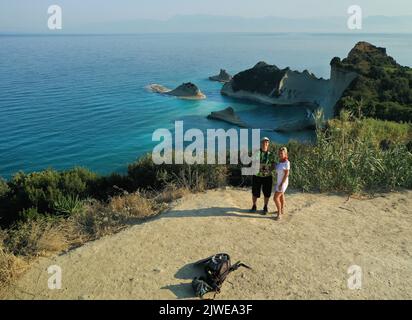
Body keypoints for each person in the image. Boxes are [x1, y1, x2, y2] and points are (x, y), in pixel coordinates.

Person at [250, 137, 275, 215]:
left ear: (268, 144)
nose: (265, 143)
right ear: (261, 143)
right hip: (257, 176)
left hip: (267, 176)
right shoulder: (256, 153)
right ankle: (254, 206)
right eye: (264, 142)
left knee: (267, 193)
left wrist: (268, 170)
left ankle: (265, 206)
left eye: (267, 142)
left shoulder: (271, 154)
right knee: (255, 192)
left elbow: (273, 165)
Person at [273, 147, 290, 220]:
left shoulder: (287, 162)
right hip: (279, 182)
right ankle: (282, 209)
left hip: (283, 183)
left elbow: (286, 174)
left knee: (275, 198)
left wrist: (281, 184)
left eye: (282, 153)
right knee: (281, 196)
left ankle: (279, 214)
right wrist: (274, 165)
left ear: (285, 154)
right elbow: (278, 168)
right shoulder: (280, 161)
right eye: (279, 153)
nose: (280, 154)